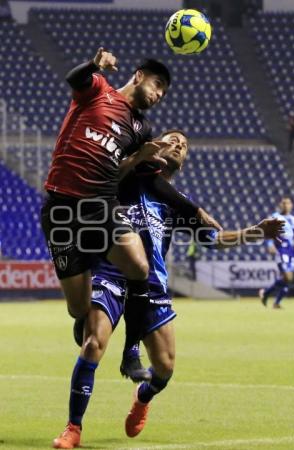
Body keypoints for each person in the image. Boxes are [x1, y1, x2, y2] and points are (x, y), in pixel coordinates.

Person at [52, 129, 285, 449]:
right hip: (112, 272)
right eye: (172, 139)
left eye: (184, 145)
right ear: (156, 145)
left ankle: (142, 397)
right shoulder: (125, 176)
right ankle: (73, 428)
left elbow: (215, 239)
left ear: (184, 162)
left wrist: (256, 232)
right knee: (93, 344)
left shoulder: (178, 204)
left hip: (153, 287)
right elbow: (98, 181)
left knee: (164, 368)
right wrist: (138, 158)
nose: (178, 144)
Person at [41, 48, 221, 382]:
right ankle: (86, 316)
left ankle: (130, 352)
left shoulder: (142, 129)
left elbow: (152, 180)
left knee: (139, 266)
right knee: (78, 309)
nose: (157, 95)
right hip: (62, 208)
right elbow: (75, 78)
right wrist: (95, 64)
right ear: (138, 75)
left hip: (100, 206)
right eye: (156, 85)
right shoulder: (98, 90)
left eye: (163, 93)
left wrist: (194, 210)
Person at [259, 197, 294, 308]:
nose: (286, 205)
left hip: (290, 250)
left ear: (291, 205)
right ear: (280, 205)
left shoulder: (293, 219)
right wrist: (269, 244)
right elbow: (267, 231)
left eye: (288, 203)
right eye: (284, 203)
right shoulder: (275, 217)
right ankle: (266, 293)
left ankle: (274, 301)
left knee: (288, 279)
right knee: (287, 277)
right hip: (280, 249)